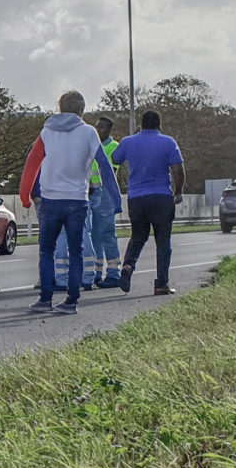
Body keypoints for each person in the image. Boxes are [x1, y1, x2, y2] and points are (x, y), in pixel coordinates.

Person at [19, 91, 120, 315]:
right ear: (82, 110)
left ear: (60, 108)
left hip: (50, 200)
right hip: (77, 200)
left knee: (46, 250)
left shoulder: (47, 132)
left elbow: (31, 164)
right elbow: (105, 166)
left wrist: (24, 194)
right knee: (76, 251)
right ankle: (71, 301)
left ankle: (45, 299)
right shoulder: (89, 132)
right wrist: (116, 198)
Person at [112, 110, 183, 295]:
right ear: (160, 124)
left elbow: (115, 158)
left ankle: (128, 266)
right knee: (163, 241)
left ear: (141, 125)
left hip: (137, 198)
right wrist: (178, 191)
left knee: (138, 237)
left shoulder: (129, 141)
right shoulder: (168, 142)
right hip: (161, 197)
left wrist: (135, 136)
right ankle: (161, 284)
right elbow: (177, 169)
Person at [89, 117, 122, 288]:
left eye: (101, 127)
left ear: (108, 129)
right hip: (93, 192)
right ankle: (95, 271)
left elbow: (110, 171)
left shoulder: (113, 146)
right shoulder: (92, 144)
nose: (97, 130)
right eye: (96, 127)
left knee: (108, 233)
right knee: (94, 234)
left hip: (106, 194)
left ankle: (114, 273)